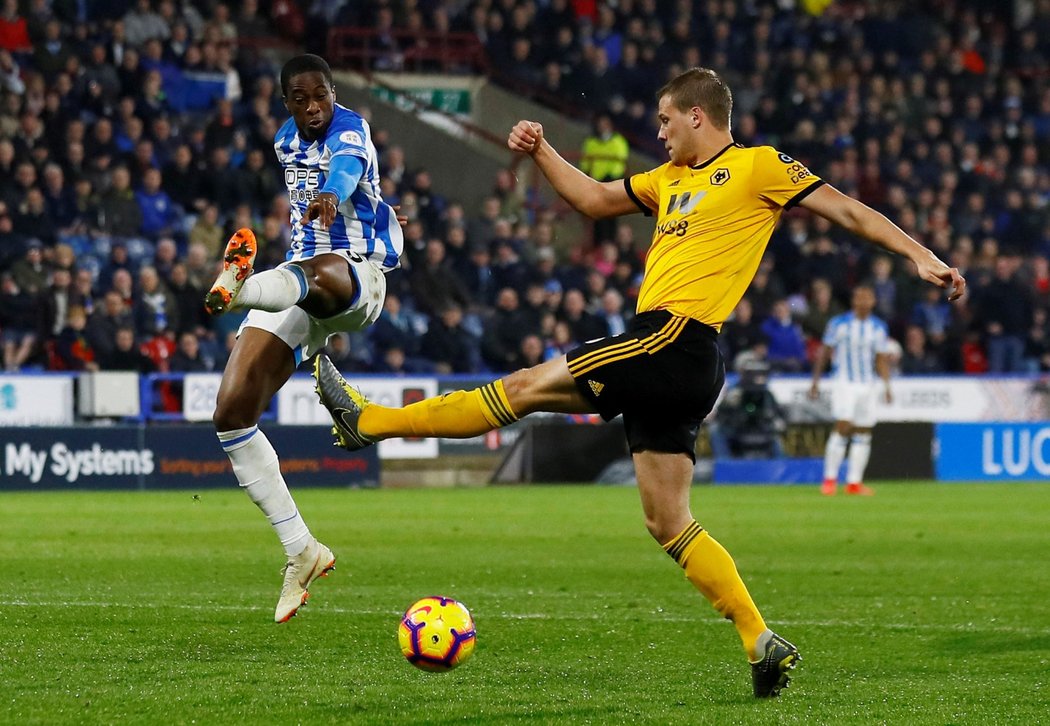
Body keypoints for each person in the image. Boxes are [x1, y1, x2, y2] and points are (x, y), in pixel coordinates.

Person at [311, 67, 965, 697]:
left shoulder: (759, 166)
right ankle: (759, 639)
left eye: (665, 120)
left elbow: (845, 210)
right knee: (667, 519)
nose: (659, 132)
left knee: (523, 388)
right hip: (679, 361)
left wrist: (920, 254)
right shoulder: (669, 180)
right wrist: (541, 151)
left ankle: (368, 422)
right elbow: (595, 200)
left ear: (698, 115)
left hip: (673, 340)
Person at [204, 54, 404, 623]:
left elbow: (343, 166)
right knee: (231, 412)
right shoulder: (284, 143)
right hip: (295, 281)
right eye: (301, 99)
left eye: (321, 96)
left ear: (333, 93)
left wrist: (335, 197)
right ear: (286, 101)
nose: (313, 107)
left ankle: (240, 289)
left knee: (319, 272)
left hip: (356, 275)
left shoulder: (352, 127)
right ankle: (301, 550)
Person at [809, 284, 893, 497]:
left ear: (873, 301)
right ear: (853, 301)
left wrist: (886, 385)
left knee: (864, 431)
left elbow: (881, 358)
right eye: (859, 297)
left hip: (868, 384)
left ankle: (854, 482)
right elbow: (825, 352)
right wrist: (816, 381)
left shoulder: (878, 327)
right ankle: (829, 480)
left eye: (867, 297)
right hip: (844, 382)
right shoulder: (839, 324)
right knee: (843, 426)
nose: (863, 301)